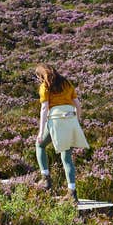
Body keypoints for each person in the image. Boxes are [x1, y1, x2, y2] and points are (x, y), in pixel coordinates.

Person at [35, 64, 89, 202]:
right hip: (70, 119)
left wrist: (41, 132)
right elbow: (77, 104)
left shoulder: (45, 86)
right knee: (67, 158)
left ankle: (45, 179)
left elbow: (44, 109)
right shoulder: (66, 83)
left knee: (40, 145)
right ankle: (72, 193)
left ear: (42, 76)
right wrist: (76, 120)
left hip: (56, 119)